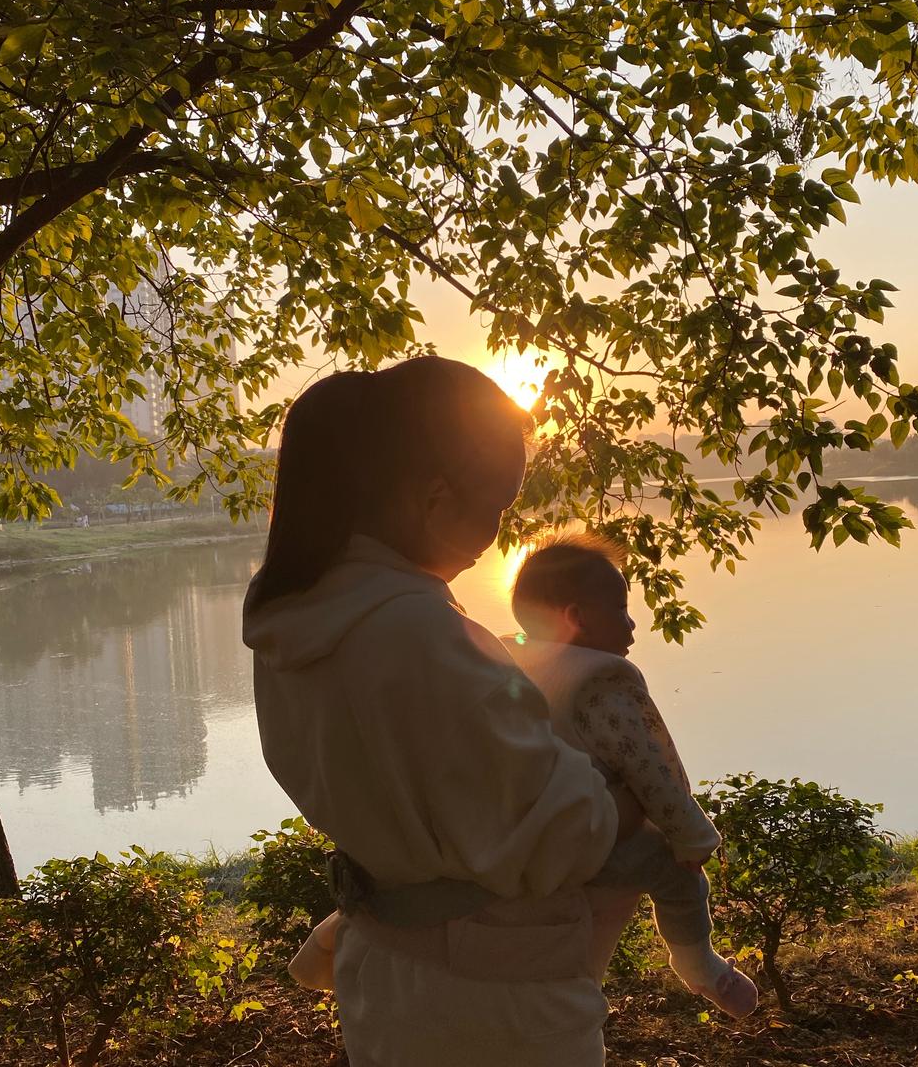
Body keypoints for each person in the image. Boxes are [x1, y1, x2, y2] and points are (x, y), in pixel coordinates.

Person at [243, 358, 644, 1067]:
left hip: (388, 978)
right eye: (497, 503)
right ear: (434, 497)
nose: (499, 527)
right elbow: (557, 836)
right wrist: (616, 793)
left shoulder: (294, 622)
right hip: (500, 1003)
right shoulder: (422, 634)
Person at [504, 533, 758, 1019]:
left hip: (521, 839)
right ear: (576, 618)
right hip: (592, 841)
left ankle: (329, 935)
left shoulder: (508, 659)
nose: (632, 623)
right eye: (621, 609)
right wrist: (691, 836)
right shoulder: (602, 680)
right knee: (679, 878)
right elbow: (652, 769)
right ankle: (700, 966)